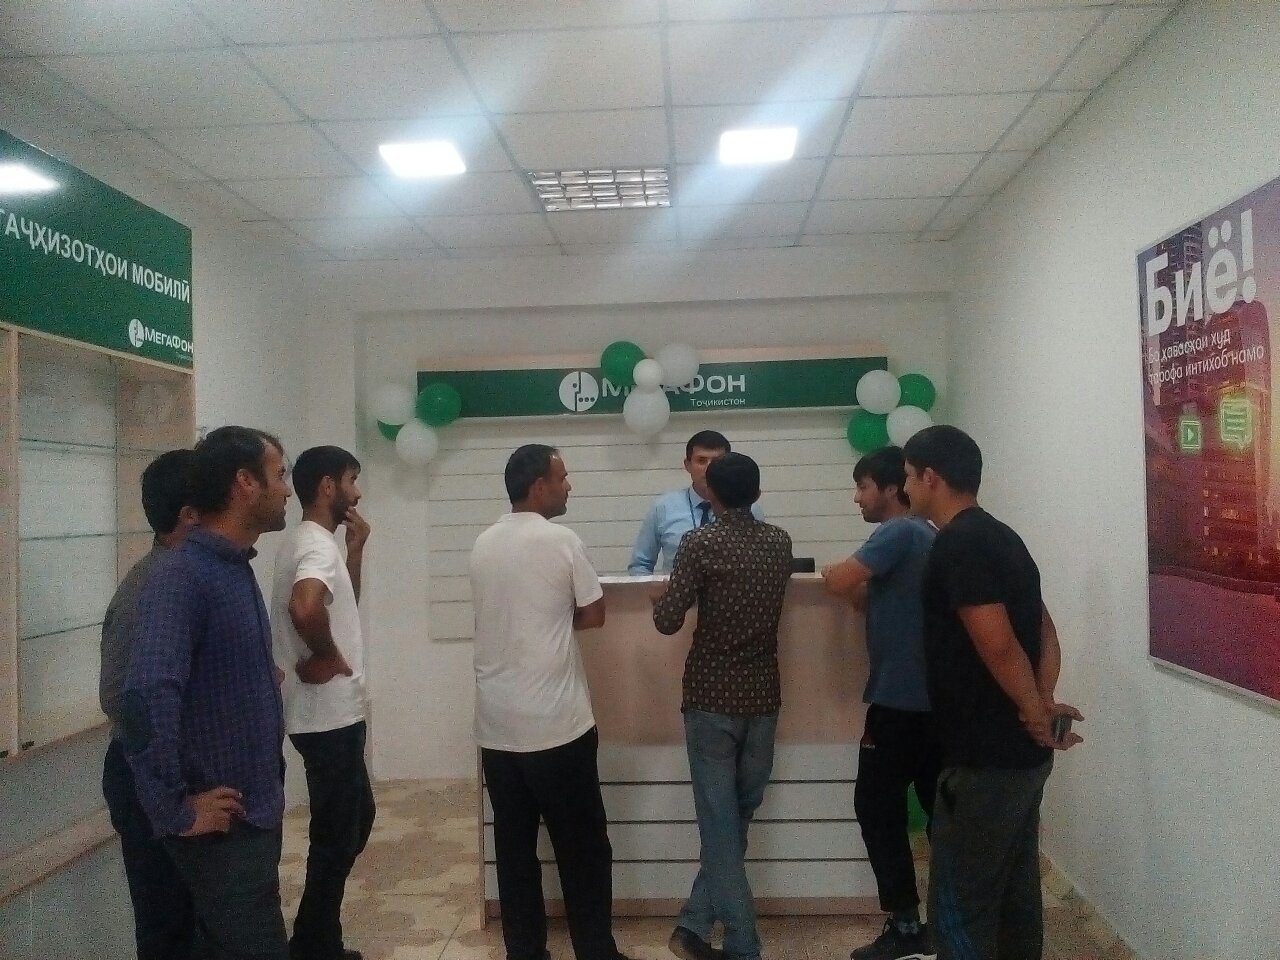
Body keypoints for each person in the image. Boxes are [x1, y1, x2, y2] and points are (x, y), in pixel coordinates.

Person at [901, 425, 1083, 960]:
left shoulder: (958, 544)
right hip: (1020, 758)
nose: (905, 488)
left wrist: (1033, 712)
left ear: (930, 477)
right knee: (1014, 894)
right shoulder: (1004, 536)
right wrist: (1041, 704)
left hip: (984, 761)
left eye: (908, 477)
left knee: (963, 900)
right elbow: (1045, 631)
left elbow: (998, 643)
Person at [123, 426, 293, 960]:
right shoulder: (182, 576)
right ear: (245, 483)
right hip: (219, 825)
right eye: (279, 475)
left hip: (249, 813)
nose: (287, 489)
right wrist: (176, 809)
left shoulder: (232, 567)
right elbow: (146, 698)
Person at [469, 444, 627, 960]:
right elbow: (595, 613)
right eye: (563, 477)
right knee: (583, 850)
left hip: (497, 727)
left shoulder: (483, 543)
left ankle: (525, 952)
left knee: (514, 852)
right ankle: (595, 952)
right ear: (539, 486)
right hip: (557, 725)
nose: (568, 485)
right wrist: (558, 621)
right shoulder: (561, 540)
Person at [651, 452, 793, 960]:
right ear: (757, 493)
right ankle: (693, 928)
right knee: (735, 819)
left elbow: (668, 621)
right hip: (763, 697)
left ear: (709, 493)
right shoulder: (780, 542)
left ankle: (741, 944)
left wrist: (662, 597)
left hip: (711, 698)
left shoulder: (700, 543)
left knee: (720, 826)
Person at [820, 446, 941, 960]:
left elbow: (839, 581)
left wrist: (834, 571)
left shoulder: (898, 532)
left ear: (891, 488)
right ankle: (947, 922)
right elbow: (866, 598)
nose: (857, 497)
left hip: (899, 704)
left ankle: (907, 926)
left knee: (876, 807)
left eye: (863, 486)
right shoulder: (926, 534)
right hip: (932, 703)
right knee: (940, 812)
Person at [271, 446, 373, 960]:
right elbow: (307, 606)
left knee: (353, 821)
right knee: (337, 834)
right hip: (326, 716)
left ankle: (316, 937)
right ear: (328, 486)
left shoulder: (314, 542)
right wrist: (327, 655)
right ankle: (313, 946)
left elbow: (336, 600)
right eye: (352, 480)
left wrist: (355, 551)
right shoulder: (313, 544)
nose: (357, 492)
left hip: (330, 714)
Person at [100, 448, 198, 960]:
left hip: (169, 778)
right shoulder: (155, 587)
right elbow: (125, 701)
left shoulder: (190, 576)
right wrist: (174, 805)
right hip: (150, 780)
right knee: (168, 931)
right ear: (190, 515)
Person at [627, 430, 763, 575]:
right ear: (688, 465)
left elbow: (760, 561)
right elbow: (640, 565)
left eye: (717, 461)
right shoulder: (663, 507)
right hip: (674, 588)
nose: (709, 468)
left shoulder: (748, 508)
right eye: (701, 461)